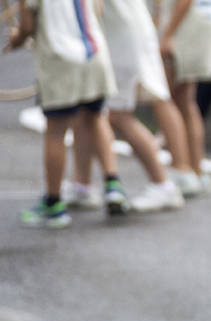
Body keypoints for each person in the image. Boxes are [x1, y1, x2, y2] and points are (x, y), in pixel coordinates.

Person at [6, 0, 130, 227]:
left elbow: (26, 26)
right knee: (96, 118)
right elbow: (99, 10)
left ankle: (54, 204)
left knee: (55, 131)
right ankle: (113, 184)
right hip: (94, 53)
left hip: (60, 58)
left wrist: (16, 39)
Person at [68, 0, 186, 213]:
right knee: (87, 110)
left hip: (118, 40)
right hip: (126, 33)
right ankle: (82, 185)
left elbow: (95, 8)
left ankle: (162, 183)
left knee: (112, 114)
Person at [158, 0, 211, 196]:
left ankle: (183, 170)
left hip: (186, 24)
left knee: (165, 98)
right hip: (201, 19)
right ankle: (196, 171)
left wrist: (168, 33)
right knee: (184, 100)